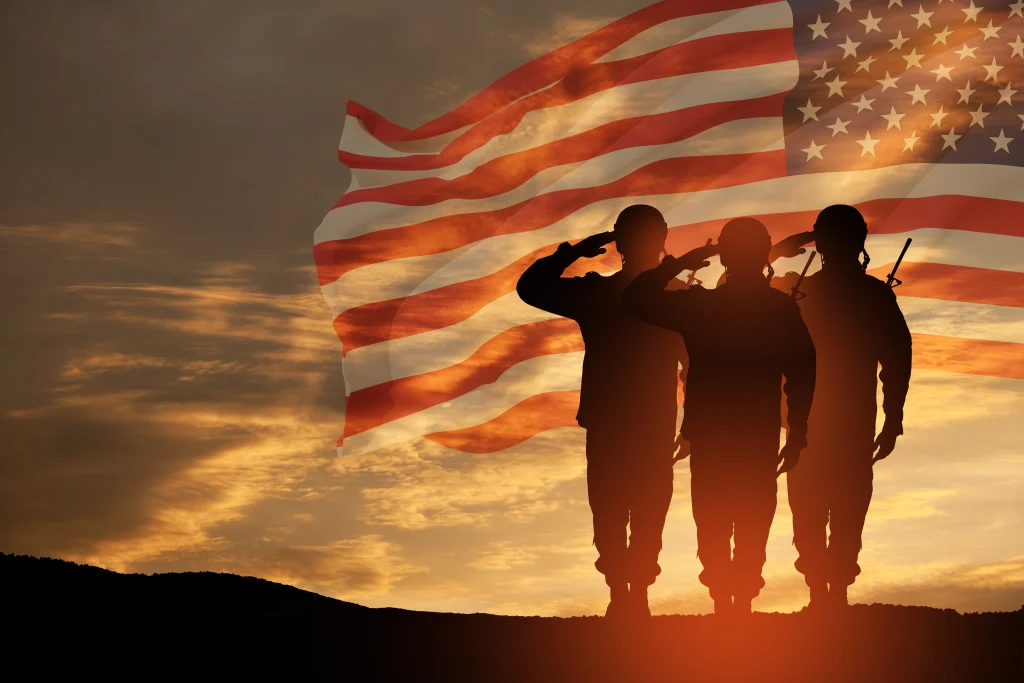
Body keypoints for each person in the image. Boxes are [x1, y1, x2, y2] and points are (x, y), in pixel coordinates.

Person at [623, 217, 816, 616]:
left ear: (724, 255)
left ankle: (729, 602)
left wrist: (684, 262)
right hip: (754, 432)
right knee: (751, 516)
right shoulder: (777, 308)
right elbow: (803, 371)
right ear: (763, 255)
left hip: (713, 432)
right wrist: (796, 432)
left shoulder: (701, 306)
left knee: (713, 516)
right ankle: (739, 600)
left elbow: (636, 299)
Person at [516, 204, 687, 619]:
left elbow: (692, 360)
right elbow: (530, 289)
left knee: (629, 505)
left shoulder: (609, 294)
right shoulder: (622, 294)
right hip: (633, 417)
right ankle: (626, 590)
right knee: (624, 505)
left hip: (636, 417)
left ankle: (631, 591)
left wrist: (575, 252)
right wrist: (573, 252)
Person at [771, 205, 912, 610]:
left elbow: (897, 358)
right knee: (842, 504)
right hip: (832, 420)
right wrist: (892, 418)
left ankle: (824, 593)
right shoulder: (864, 295)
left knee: (819, 505)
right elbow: (897, 359)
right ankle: (829, 594)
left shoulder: (800, 292)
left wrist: (785, 248)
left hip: (815, 420)